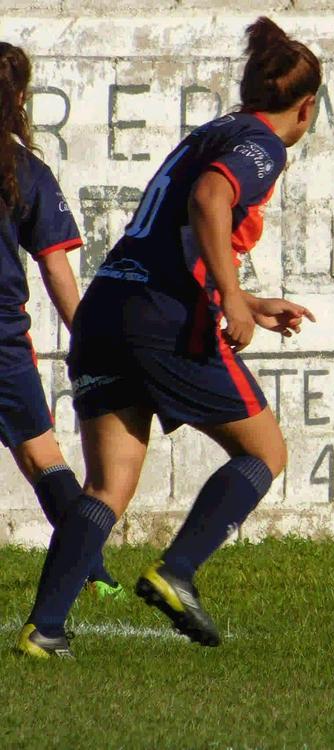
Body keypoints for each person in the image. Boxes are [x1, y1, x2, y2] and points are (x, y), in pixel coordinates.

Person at [16, 17, 320, 659]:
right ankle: (177, 571)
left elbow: (172, 238)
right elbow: (210, 201)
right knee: (264, 452)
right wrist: (231, 298)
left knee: (107, 487)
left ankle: (44, 631)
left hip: (106, 310)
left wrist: (249, 302)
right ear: (307, 106)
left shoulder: (209, 133)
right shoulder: (264, 144)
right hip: (159, 319)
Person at [0, 42, 122, 604]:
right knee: (42, 458)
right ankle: (91, 569)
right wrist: (88, 337)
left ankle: (90, 567)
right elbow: (57, 270)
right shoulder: (25, 170)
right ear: (20, 98)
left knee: (40, 458)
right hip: (3, 342)